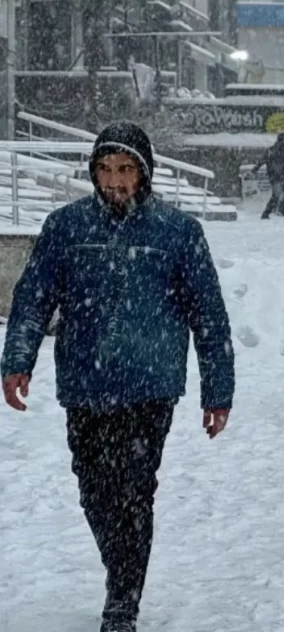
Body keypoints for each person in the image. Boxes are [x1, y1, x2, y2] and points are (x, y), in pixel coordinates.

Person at [1, 121, 235, 632]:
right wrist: (18, 359)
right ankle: (122, 567)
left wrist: (218, 391)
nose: (114, 180)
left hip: (151, 387)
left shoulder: (178, 233)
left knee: (134, 492)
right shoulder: (65, 227)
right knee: (94, 492)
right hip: (84, 383)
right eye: (105, 169)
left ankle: (123, 600)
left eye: (126, 169)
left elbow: (209, 318)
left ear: (144, 173)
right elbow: (33, 298)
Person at [251, 132, 284, 219]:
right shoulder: (274, 151)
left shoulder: (275, 150)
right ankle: (268, 213)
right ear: (283, 141)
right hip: (275, 176)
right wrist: (254, 170)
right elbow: (263, 161)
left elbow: (262, 161)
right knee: (278, 195)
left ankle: (277, 210)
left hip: (278, 176)